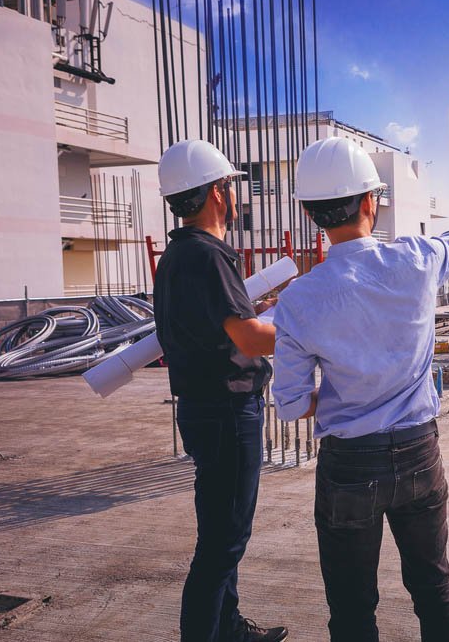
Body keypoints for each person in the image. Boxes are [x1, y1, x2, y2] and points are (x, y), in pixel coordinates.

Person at [271, 137, 449, 642]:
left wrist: (344, 398)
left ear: (312, 212)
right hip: (420, 451)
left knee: (353, 611)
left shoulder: (298, 299)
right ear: (368, 203)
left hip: (349, 465)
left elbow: (290, 404)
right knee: (434, 587)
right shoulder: (417, 260)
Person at [153, 140, 287, 642]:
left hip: (203, 408)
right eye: (230, 185)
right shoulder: (211, 256)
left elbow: (211, 325)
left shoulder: (177, 257)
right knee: (224, 542)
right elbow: (250, 338)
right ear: (216, 192)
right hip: (228, 410)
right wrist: (310, 324)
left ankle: (228, 629)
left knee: (222, 530)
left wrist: (266, 307)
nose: (233, 195)